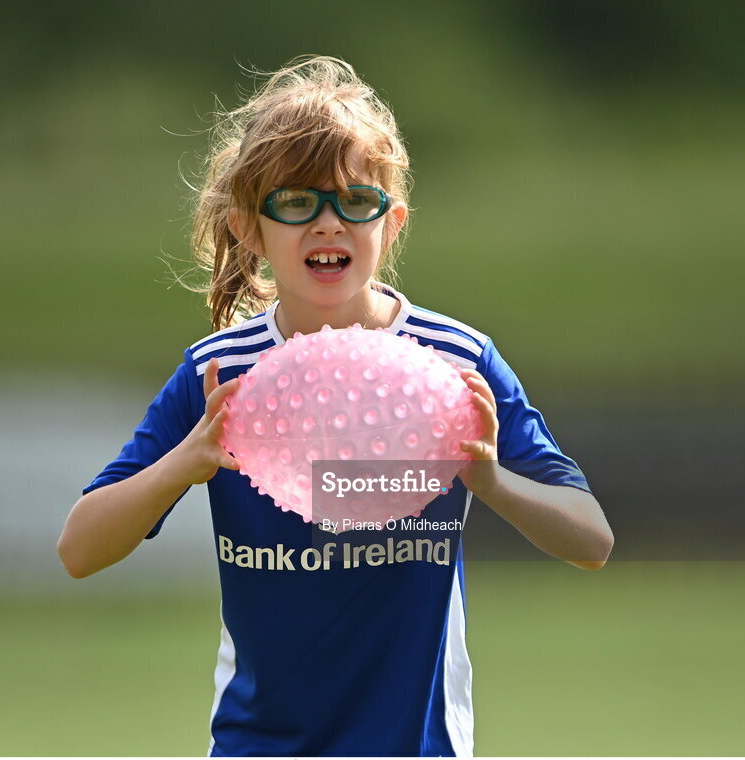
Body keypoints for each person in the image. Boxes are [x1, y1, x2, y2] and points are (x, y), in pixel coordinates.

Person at [57, 55, 613, 757]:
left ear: (392, 221)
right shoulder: (219, 374)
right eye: (296, 202)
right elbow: (79, 549)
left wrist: (490, 480)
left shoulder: (457, 362)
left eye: (355, 201)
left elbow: (591, 540)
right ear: (249, 229)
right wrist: (184, 463)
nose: (328, 223)